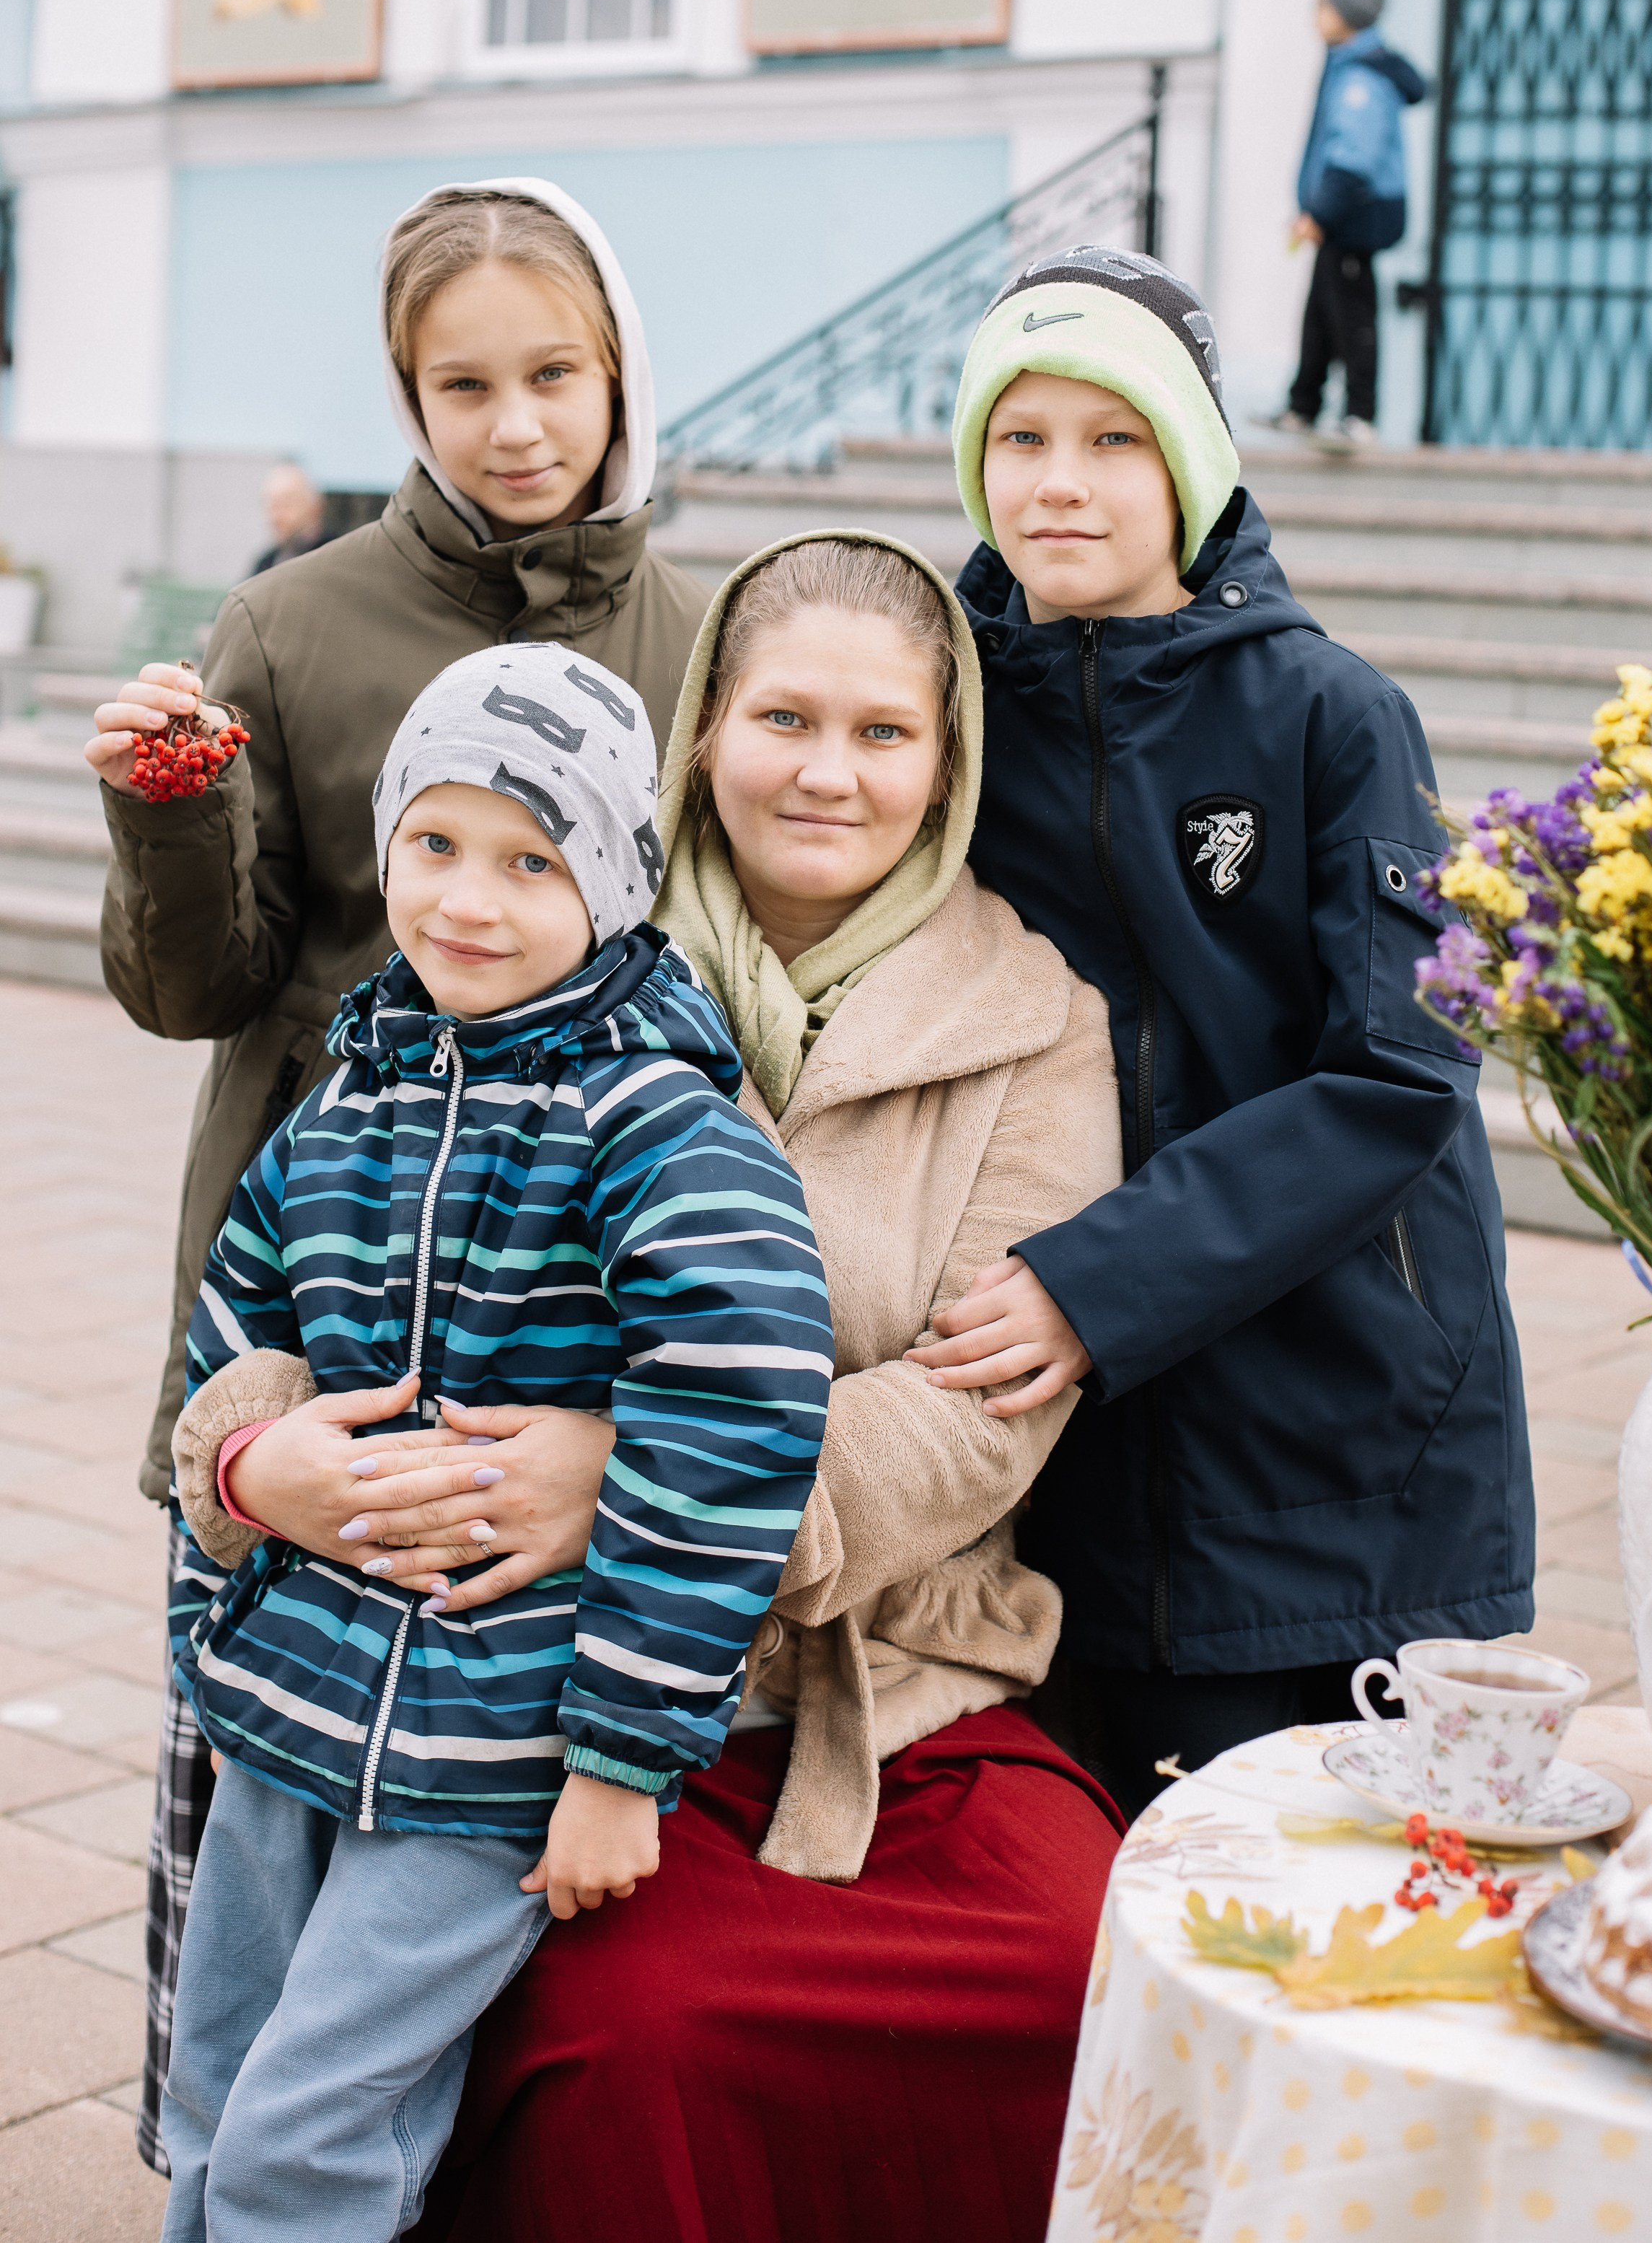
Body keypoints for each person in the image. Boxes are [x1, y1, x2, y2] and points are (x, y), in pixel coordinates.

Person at [176, 530, 1128, 2243]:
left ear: (948, 758)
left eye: (882, 732)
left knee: (1065, 1970)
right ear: (699, 731)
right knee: (472, 2054)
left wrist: (625, 1484)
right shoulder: (537, 924)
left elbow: (976, 1406)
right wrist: (252, 1464)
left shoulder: (1027, 1017)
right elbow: (296, 1281)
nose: (827, 772)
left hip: (843, 1662)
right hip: (457, 1646)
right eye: (782, 716)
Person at [84, 176, 708, 2170]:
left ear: (616, 369)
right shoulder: (296, 616)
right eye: (465, 384)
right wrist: (167, 814)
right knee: (252, 1809)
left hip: (556, 1325)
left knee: (464, 1834)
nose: (516, 423)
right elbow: (199, 989)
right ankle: (218, 2166)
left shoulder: (703, 633)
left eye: (555, 375)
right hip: (315, 1309)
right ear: (403, 391)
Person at [158, 643, 831, 2243]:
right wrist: (240, 1504)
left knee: (312, 2133)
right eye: (435, 844)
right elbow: (234, 1341)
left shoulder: (656, 1125)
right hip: (286, 1698)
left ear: (609, 881)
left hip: (490, 1743)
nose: (470, 898)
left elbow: (735, 1430)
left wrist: (617, 1761)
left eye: (533, 859)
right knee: (215, 2086)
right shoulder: (352, 1093)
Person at [906, 242, 1533, 1822]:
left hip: (1341, 1437)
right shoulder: (949, 714)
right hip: (1074, 1452)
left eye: (1115, 437)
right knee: (1114, 1897)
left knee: (1336, 1897)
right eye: (1020, 437)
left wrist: (1100, 1284)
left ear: (1190, 458)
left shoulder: (1332, 713)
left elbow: (1399, 1073)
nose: (1062, 481)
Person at [1260, 0, 1427, 455]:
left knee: (1352, 315)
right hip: (1343, 211)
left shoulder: (1362, 78)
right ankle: (1302, 405)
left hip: (1356, 211)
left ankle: (1359, 415)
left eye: (1322, 5)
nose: (1315, 15)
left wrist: (1320, 211)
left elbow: (1352, 156)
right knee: (1320, 311)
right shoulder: (1347, 63)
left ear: (1347, 12)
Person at [250, 463, 328, 574]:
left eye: (285, 505)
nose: (276, 517)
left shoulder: (333, 556)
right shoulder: (265, 563)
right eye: (272, 507)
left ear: (314, 508)